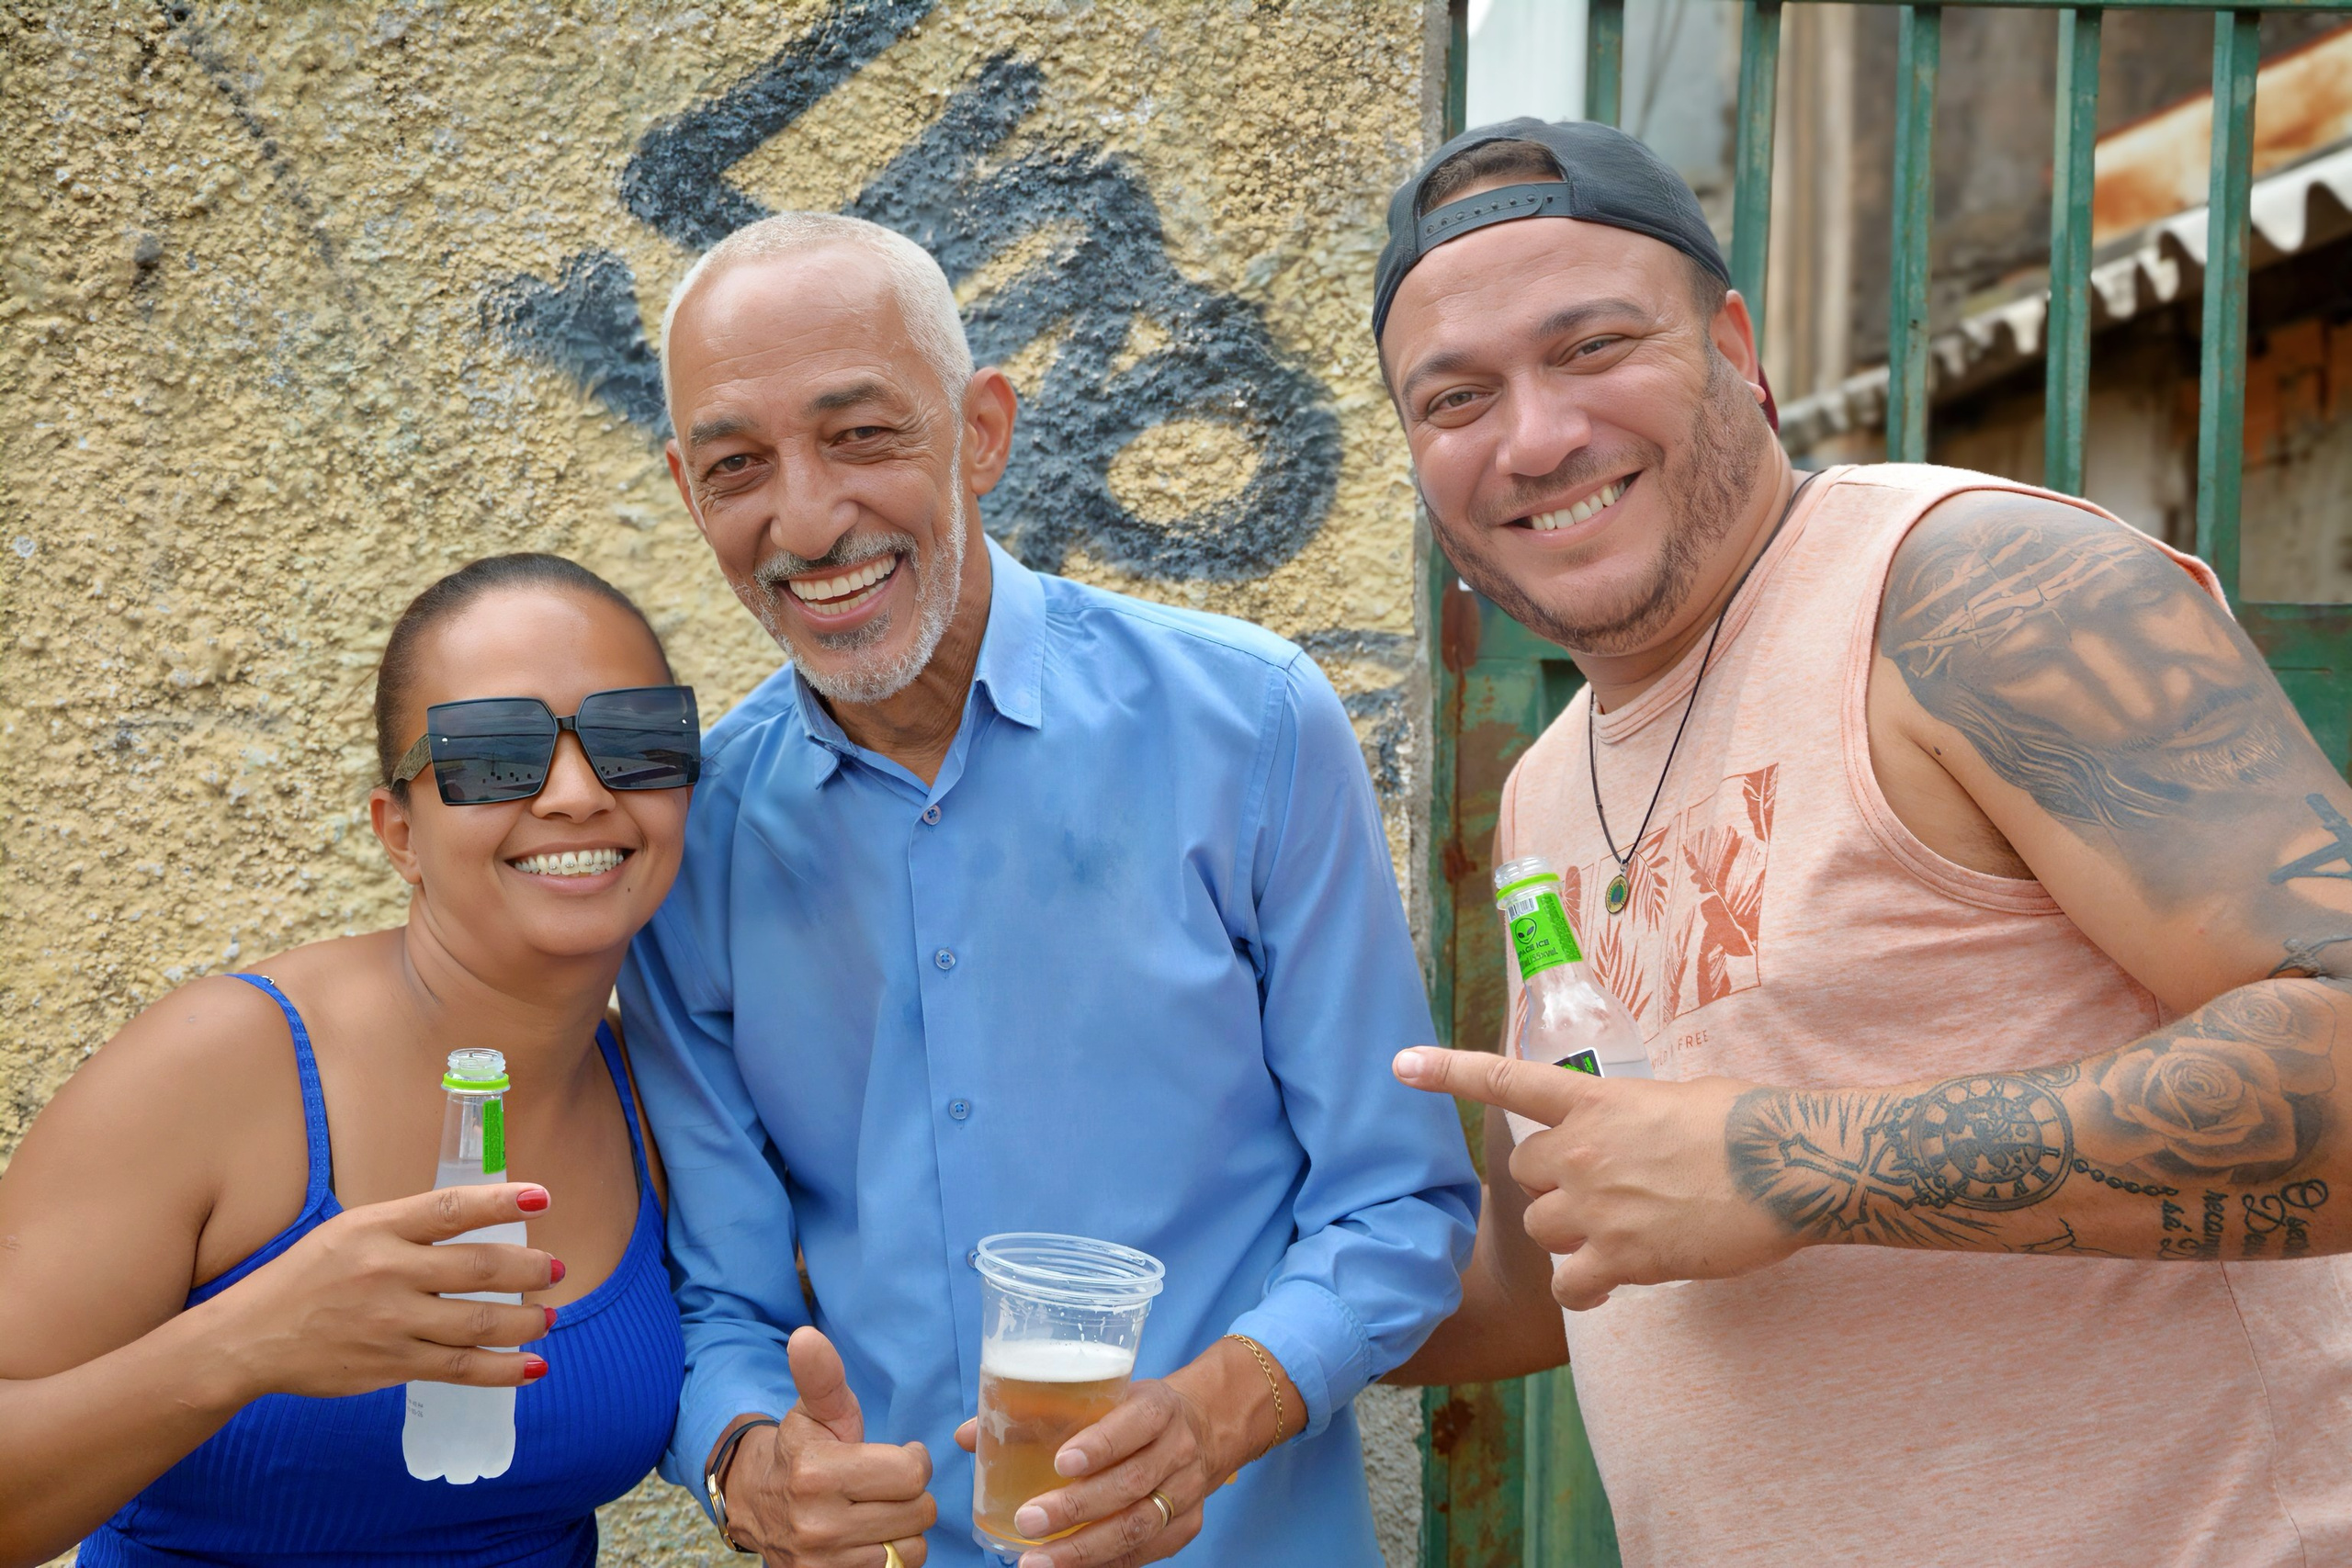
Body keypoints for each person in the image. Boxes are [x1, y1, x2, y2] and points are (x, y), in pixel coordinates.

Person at [1373, 119, 2352, 1566]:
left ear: (1733, 342)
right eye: (1458, 396)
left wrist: (1787, 1158)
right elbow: (1571, 1255)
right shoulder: (1544, 786)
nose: (1535, 436)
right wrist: (1220, 1338)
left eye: (1590, 348)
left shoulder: (1972, 591)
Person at [623, 210, 1477, 1568]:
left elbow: (1398, 1204)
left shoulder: (1251, 725)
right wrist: (745, 1454)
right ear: (688, 491)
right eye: (738, 465)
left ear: (982, 430)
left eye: (862, 435)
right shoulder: (689, 841)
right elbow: (716, 1294)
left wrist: (1218, 1411)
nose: (806, 515)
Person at [0, 555, 694, 1568]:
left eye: (637, 740)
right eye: (495, 755)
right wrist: (245, 1343)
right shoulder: (226, 1064)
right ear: (398, 833)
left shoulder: (662, 1098)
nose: (578, 794)